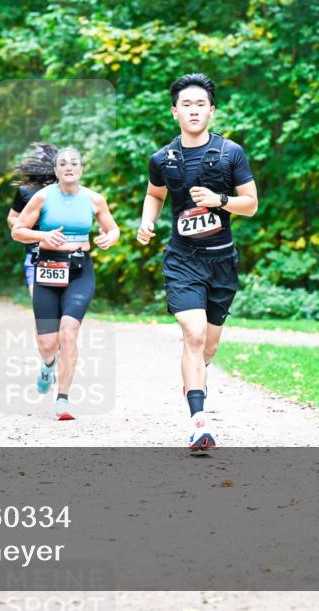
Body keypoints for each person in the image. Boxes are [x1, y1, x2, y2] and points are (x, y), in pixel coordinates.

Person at [136, 73, 259, 451]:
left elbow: (251, 205)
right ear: (175, 112)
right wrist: (146, 220)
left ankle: (194, 381)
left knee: (208, 346)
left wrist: (219, 201)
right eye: (186, 105)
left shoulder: (230, 154)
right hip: (182, 260)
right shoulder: (163, 158)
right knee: (193, 334)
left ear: (212, 111)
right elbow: (154, 194)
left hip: (222, 261)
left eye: (200, 104)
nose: (193, 110)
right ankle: (199, 421)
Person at [12, 147, 120, 420]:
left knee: (69, 332)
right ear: (56, 171)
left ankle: (63, 398)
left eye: (74, 163)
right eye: (63, 163)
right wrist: (42, 237)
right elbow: (17, 230)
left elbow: (113, 228)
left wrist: (110, 238)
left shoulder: (95, 199)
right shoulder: (42, 197)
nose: (69, 167)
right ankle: (48, 365)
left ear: (81, 169)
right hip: (47, 269)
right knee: (48, 342)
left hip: (79, 272)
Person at [6, 143, 59, 296]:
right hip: (35, 254)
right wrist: (25, 226)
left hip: (65, 254)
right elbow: (12, 218)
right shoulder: (26, 190)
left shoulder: (68, 189)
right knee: (41, 306)